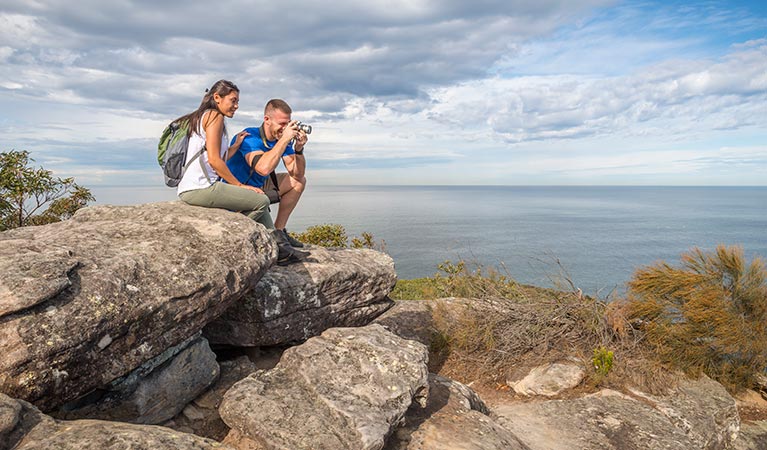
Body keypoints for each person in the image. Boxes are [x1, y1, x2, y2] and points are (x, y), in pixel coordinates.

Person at [176, 81, 307, 265]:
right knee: (260, 201)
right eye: (233, 100)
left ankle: (280, 245)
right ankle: (232, 237)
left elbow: (297, 174)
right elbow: (215, 161)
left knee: (272, 234)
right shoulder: (215, 116)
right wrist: (240, 186)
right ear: (217, 98)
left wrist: (298, 149)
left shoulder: (207, 117)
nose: (236, 106)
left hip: (201, 186)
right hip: (202, 187)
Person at [226, 99, 307, 248]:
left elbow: (297, 174)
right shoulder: (249, 136)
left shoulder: (282, 140)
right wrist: (284, 140)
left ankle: (280, 231)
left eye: (287, 123)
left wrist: (299, 150)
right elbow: (263, 168)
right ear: (267, 120)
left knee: (299, 182)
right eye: (282, 124)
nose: (285, 128)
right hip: (236, 190)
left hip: (259, 189)